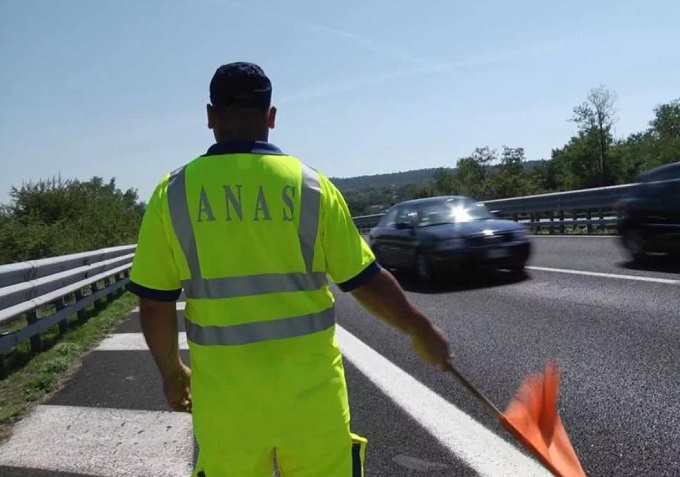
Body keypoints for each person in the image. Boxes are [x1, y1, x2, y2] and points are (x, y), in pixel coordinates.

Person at [127, 61, 452, 477]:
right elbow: (366, 282)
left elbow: (154, 304)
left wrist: (173, 374)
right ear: (272, 117)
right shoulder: (312, 186)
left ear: (210, 116)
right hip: (312, 404)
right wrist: (420, 330)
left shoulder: (172, 194)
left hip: (227, 410)